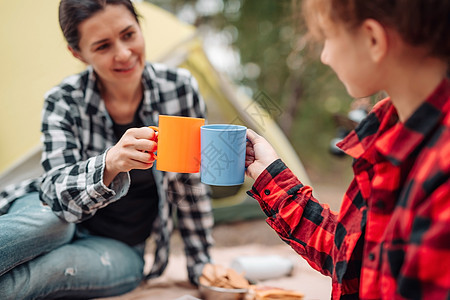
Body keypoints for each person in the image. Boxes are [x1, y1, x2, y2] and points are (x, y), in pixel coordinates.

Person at [0, 0, 214, 298]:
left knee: (47, 270)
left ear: (140, 28)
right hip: (54, 211)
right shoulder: (63, 100)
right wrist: (110, 163)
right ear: (78, 54)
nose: (124, 53)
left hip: (121, 247)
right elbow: (57, 193)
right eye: (103, 46)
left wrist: (202, 264)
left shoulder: (178, 89)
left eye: (129, 35)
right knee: (47, 227)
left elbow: (189, 183)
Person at [245, 0, 450, 299]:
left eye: (328, 36)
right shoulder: (390, 131)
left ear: (373, 40)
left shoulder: (441, 169)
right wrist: (270, 176)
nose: (325, 57)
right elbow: (354, 258)